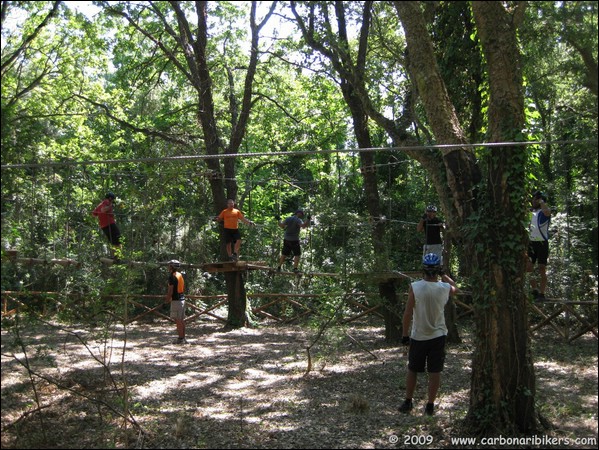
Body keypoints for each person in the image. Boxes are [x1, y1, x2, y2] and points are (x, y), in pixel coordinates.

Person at [398, 253, 458, 416]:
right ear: (437, 270)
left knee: (413, 369)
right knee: (435, 371)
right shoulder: (444, 288)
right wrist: (444, 274)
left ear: (423, 269)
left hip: (418, 335)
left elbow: (408, 312)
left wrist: (405, 335)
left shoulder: (415, 287)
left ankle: (408, 401)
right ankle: (430, 405)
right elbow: (456, 288)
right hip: (438, 335)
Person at [527, 191, 551, 301]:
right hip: (531, 243)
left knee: (541, 268)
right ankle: (534, 290)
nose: (534, 201)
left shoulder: (544, 212)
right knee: (528, 267)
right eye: (533, 199)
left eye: (536, 199)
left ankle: (542, 294)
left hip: (542, 243)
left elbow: (547, 212)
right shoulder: (530, 212)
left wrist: (541, 201)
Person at [91, 192, 121, 259]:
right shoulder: (106, 202)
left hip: (103, 226)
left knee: (113, 241)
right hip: (110, 224)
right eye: (113, 200)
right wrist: (111, 206)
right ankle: (118, 257)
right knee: (119, 239)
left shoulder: (100, 204)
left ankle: (114, 257)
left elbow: (93, 214)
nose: (113, 201)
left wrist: (101, 217)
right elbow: (103, 210)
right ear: (110, 198)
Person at [165, 260, 186, 344]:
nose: (168, 267)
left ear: (172, 267)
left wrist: (167, 299)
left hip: (176, 301)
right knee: (181, 320)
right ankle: (182, 338)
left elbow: (171, 290)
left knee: (178, 321)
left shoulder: (172, 276)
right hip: (182, 299)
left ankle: (181, 339)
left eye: (169, 265)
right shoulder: (179, 275)